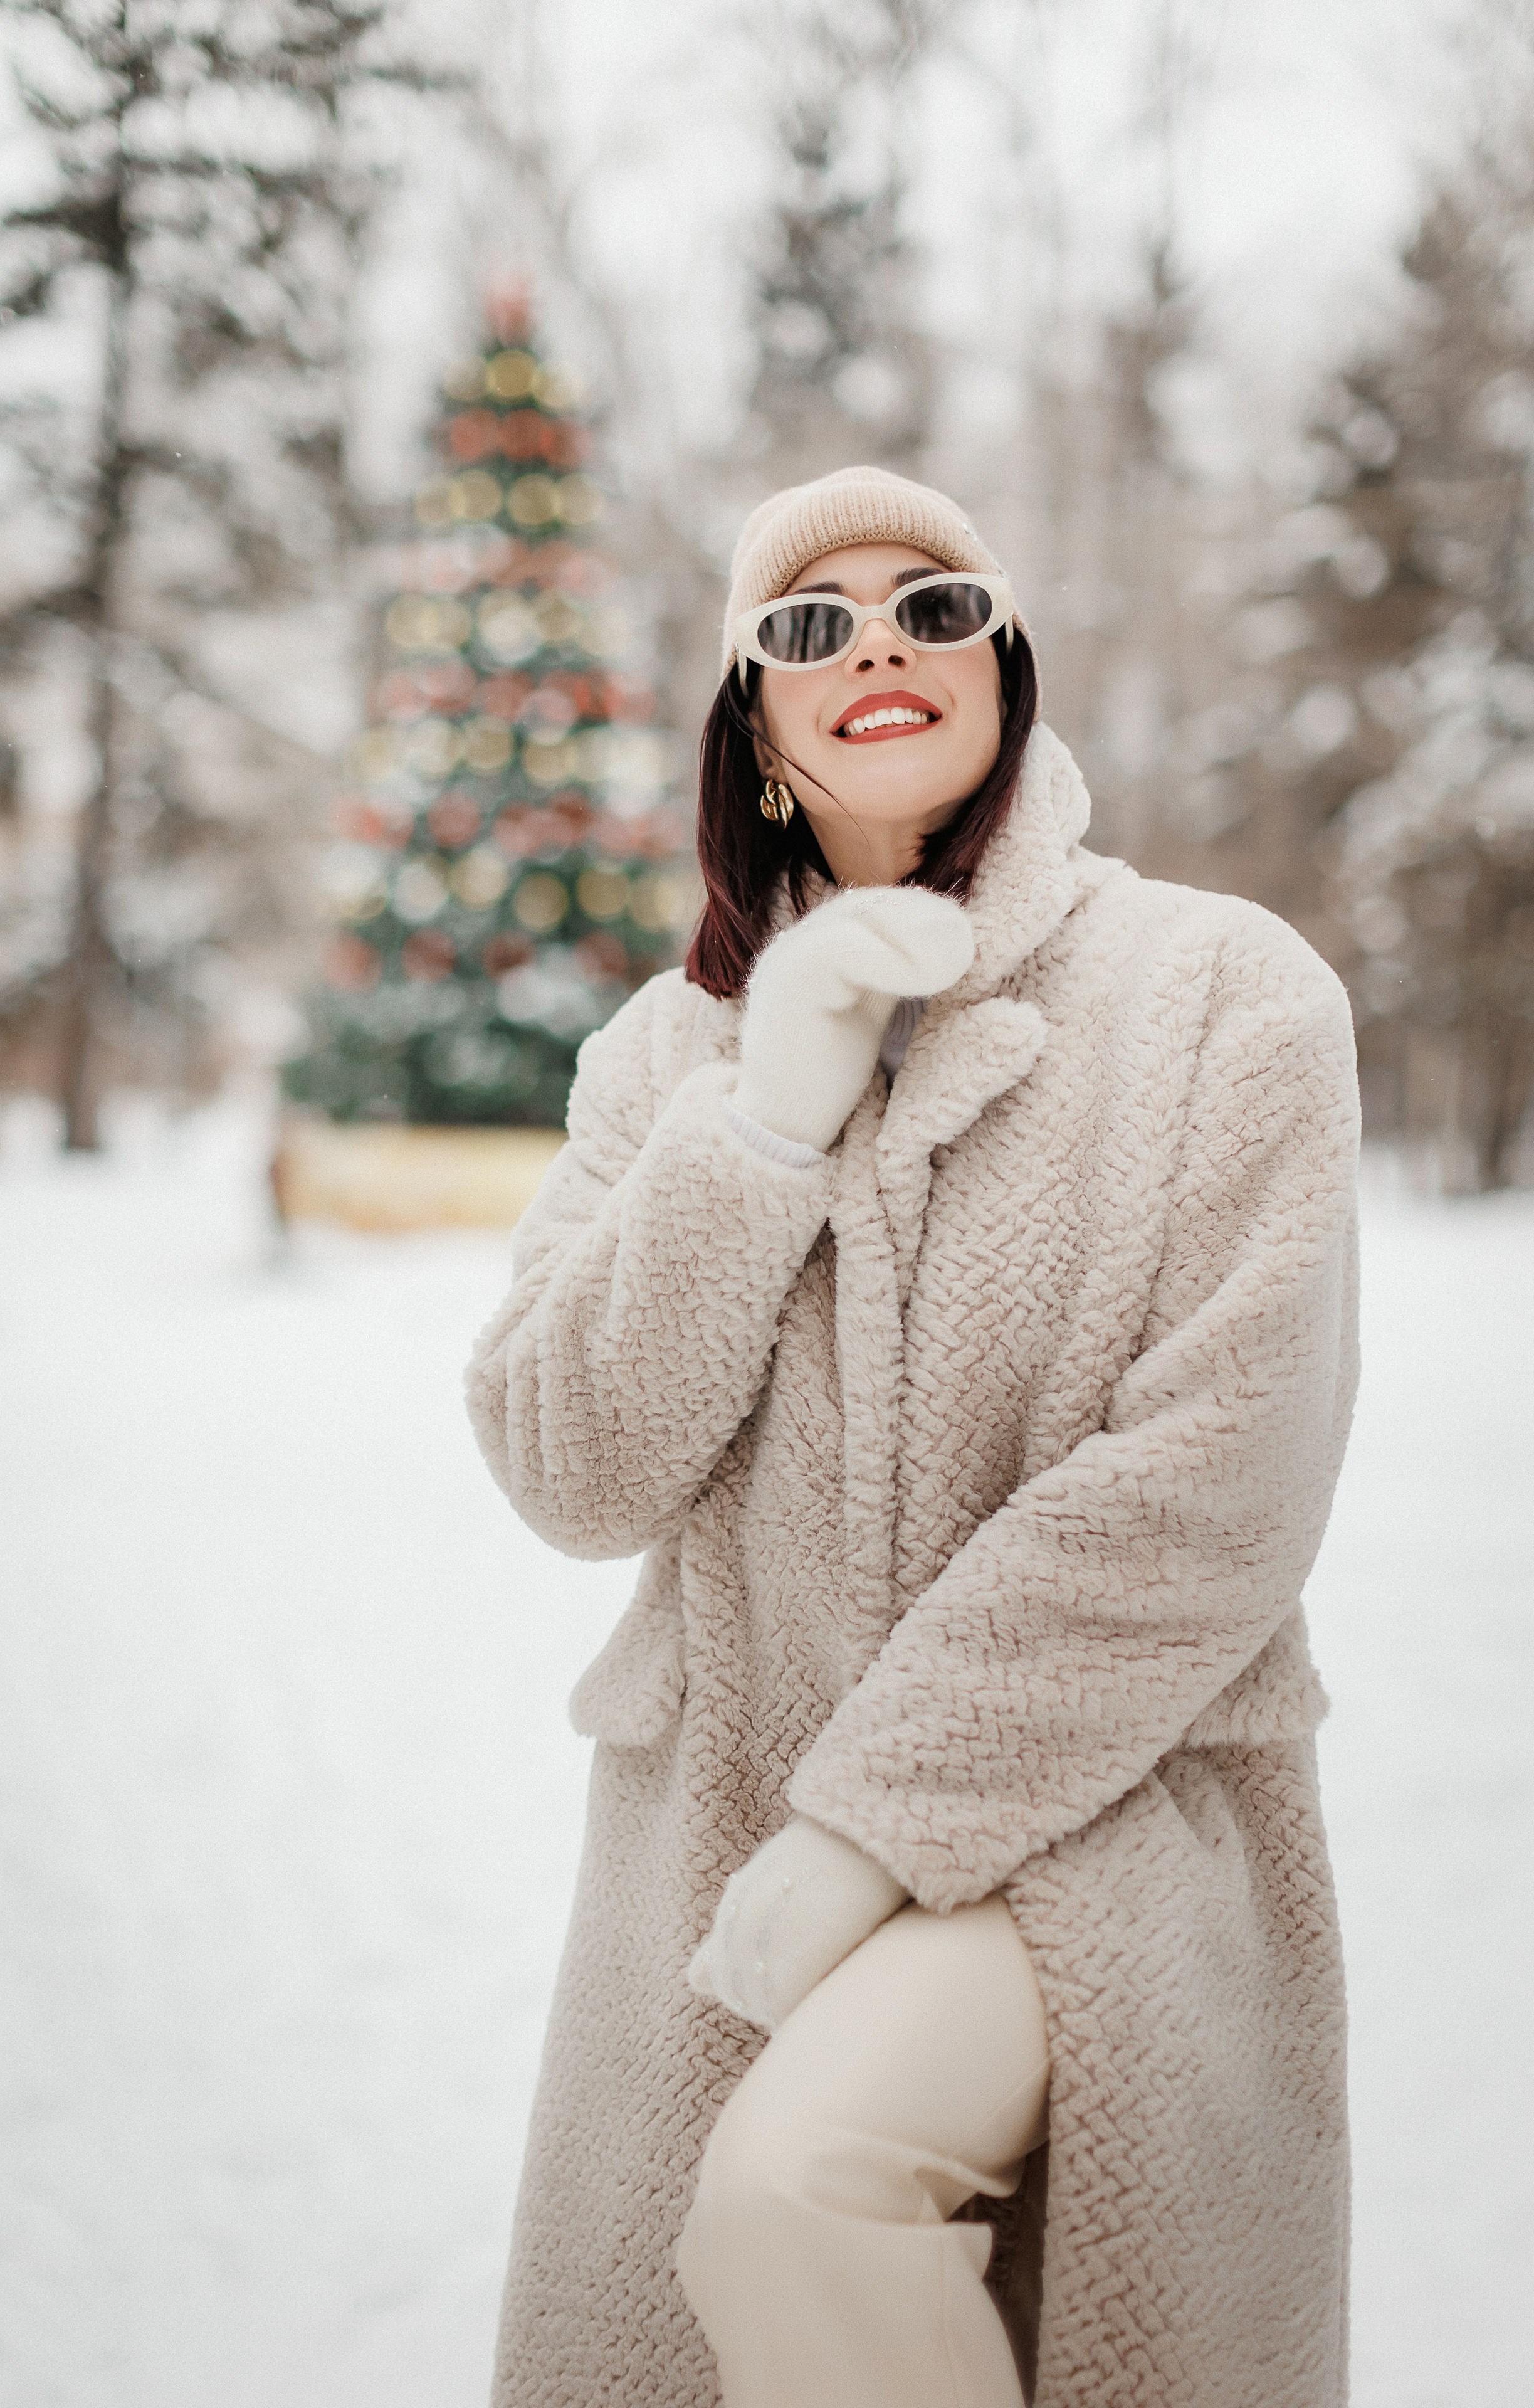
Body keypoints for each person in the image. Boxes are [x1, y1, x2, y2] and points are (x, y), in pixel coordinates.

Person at [466, 463, 1360, 2408]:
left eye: (933, 604)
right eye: (809, 624)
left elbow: (1225, 1478)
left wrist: (884, 1826)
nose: (875, 640)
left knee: (803, 2196)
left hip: (1095, 1823)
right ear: (760, 731)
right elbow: (566, 1462)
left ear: (1006, 672)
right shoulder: (657, 1061)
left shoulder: (1224, 993)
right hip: (726, 1841)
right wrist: (762, 1120)